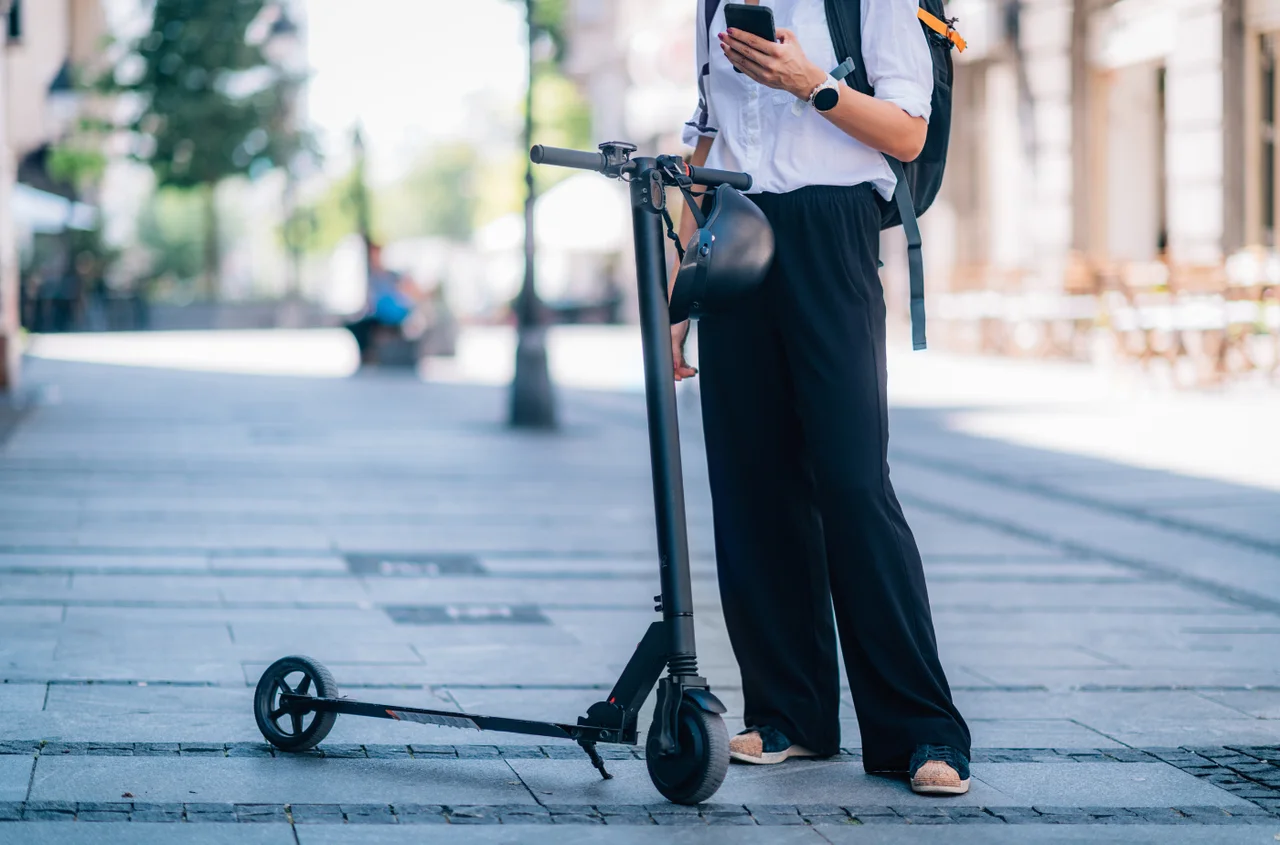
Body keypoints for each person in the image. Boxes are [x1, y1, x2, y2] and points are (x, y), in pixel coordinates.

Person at [672, 0, 972, 795]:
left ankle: (923, 728)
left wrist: (811, 83)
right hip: (735, 231)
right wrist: (682, 284)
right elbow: (704, 138)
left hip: (830, 229)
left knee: (850, 481)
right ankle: (790, 715)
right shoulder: (712, 4)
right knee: (751, 485)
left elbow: (908, 131)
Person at [346, 243, 420, 364]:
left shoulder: (391, 276)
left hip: (391, 315)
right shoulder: (373, 277)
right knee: (357, 325)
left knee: (363, 326)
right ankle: (367, 355)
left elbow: (405, 296)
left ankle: (369, 356)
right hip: (381, 314)